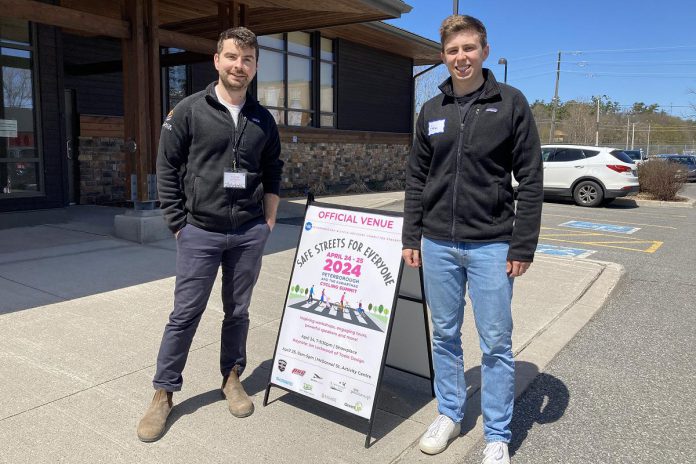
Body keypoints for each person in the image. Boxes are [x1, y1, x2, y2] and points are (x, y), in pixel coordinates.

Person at [401, 15, 542, 464]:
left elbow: (532, 181)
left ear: (483, 50)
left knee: (495, 343)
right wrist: (412, 235)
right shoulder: (432, 110)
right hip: (438, 243)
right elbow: (416, 179)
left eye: (468, 48)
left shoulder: (510, 103)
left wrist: (522, 245)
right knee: (443, 335)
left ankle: (497, 433)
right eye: (451, 51)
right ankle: (450, 412)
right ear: (443, 56)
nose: (460, 58)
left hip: (492, 245)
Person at [137, 26, 284, 442]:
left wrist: (268, 220)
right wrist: (178, 223)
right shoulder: (187, 111)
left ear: (255, 66)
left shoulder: (262, 119)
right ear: (217, 60)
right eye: (233, 57)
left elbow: (273, 170)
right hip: (199, 231)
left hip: (248, 232)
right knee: (185, 314)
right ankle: (163, 393)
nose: (240, 66)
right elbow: (167, 167)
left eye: (248, 59)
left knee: (238, 312)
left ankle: (232, 376)